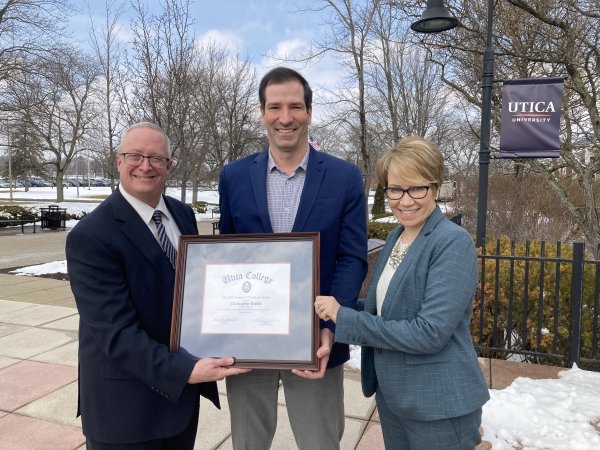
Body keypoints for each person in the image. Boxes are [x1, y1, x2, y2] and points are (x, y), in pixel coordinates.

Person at [66, 122, 249, 449]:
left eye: (155, 157)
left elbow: (193, 291)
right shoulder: (91, 236)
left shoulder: (182, 214)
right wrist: (186, 371)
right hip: (126, 410)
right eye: (134, 155)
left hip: (179, 403)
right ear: (118, 161)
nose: (145, 165)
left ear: (169, 166)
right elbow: (115, 333)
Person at [218, 67, 368, 449]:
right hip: (250, 340)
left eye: (295, 107)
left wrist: (333, 326)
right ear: (262, 112)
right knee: (248, 442)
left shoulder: (344, 177)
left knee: (320, 441)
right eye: (275, 107)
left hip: (316, 339)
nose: (286, 118)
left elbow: (351, 258)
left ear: (309, 111)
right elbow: (226, 257)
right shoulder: (233, 176)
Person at [315, 136, 490, 450]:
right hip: (395, 395)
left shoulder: (452, 242)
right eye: (395, 189)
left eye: (417, 188)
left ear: (435, 188)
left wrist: (344, 317)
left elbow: (429, 332)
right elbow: (388, 307)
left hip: (438, 403)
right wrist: (333, 308)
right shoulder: (398, 236)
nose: (405, 200)